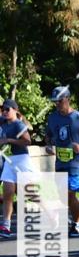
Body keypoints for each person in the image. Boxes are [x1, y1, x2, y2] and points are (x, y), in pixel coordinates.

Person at [45, 86, 79, 237]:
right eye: (55, 101)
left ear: (68, 99)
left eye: (60, 100)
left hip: (76, 164)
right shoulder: (52, 118)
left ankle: (77, 225)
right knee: (66, 196)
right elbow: (48, 135)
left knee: (68, 194)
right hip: (60, 162)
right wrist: (49, 146)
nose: (57, 104)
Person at [0, 100, 35, 238]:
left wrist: (9, 140)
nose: (4, 112)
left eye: (7, 109)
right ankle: (6, 226)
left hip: (21, 160)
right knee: (8, 192)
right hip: (9, 161)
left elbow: (27, 141)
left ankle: (53, 213)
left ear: (15, 110)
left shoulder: (18, 124)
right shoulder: (3, 121)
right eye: (3, 109)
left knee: (31, 193)